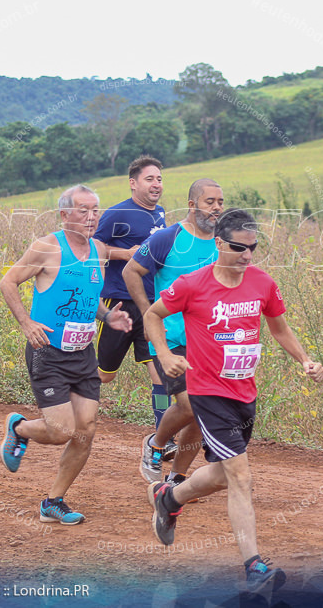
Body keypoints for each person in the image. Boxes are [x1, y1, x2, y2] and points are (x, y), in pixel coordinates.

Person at [144, 208, 323, 593]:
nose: (247, 256)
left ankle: (169, 496)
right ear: (219, 244)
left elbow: (279, 327)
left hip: (244, 392)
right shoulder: (192, 284)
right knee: (241, 476)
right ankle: (254, 566)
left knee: (225, 474)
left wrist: (306, 359)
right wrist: (163, 355)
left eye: (253, 248)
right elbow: (153, 315)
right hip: (208, 392)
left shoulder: (262, 283)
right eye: (239, 248)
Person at [0, 184, 133, 525]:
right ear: (64, 214)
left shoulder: (99, 250)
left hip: (83, 352)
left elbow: (91, 296)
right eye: (83, 210)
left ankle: (53, 501)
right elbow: (8, 282)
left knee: (85, 429)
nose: (91, 217)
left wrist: (107, 317)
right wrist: (27, 323)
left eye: (95, 211)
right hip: (49, 352)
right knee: (61, 431)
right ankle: (20, 428)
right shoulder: (47, 247)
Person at [124, 179, 223, 485]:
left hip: (207, 341)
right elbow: (131, 271)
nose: (217, 208)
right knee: (192, 403)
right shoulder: (168, 238)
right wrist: (146, 313)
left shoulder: (224, 242)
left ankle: (177, 478)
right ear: (192, 205)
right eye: (210, 202)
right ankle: (155, 444)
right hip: (171, 338)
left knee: (200, 410)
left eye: (220, 202)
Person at [93, 157, 171, 433]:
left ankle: (164, 435)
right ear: (133, 183)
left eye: (159, 179)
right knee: (105, 375)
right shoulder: (117, 213)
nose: (156, 184)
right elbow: (94, 248)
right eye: (149, 179)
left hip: (152, 306)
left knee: (160, 371)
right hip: (120, 303)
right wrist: (125, 254)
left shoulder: (160, 213)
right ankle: (67, 402)